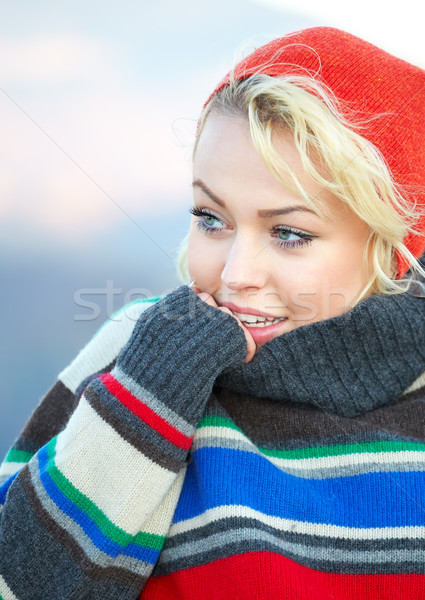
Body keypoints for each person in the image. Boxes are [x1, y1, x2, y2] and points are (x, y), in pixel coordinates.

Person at [1, 25, 425, 600]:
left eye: (289, 233)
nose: (233, 274)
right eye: (210, 217)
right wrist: (151, 393)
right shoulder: (134, 353)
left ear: (396, 245)